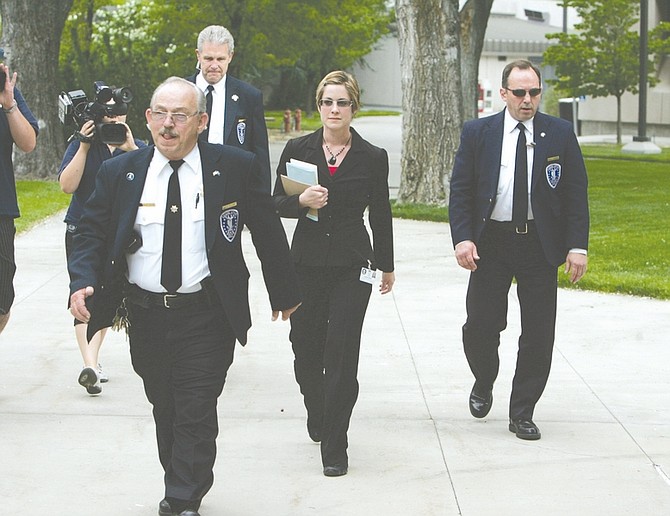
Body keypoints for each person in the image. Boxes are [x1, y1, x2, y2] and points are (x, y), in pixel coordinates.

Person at [68, 76, 301, 516]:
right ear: (148, 119)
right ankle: (182, 478)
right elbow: (91, 232)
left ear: (201, 121)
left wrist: (284, 292)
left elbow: (266, 230)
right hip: (145, 312)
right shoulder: (121, 172)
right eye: (160, 114)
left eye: (180, 115)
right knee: (165, 403)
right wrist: (81, 279)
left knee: (196, 405)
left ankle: (182, 496)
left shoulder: (233, 165)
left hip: (208, 313)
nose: (168, 125)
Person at [449, 59, 589, 440]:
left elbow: (576, 194)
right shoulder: (479, 133)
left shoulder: (559, 133)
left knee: (539, 334)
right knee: (480, 324)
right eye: (520, 92)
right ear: (504, 94)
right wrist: (463, 237)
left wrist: (577, 246)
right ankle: (484, 377)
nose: (528, 100)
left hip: (539, 245)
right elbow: (460, 190)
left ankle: (522, 411)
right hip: (491, 242)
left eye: (534, 92)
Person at [273, 70, 395, 476]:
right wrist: (301, 201)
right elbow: (273, 204)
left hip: (352, 264)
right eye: (328, 102)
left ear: (353, 108)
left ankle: (336, 442)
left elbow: (380, 213)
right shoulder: (298, 148)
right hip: (305, 263)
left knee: (342, 352)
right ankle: (316, 406)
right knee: (305, 347)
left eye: (342, 102)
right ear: (319, 106)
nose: (334, 109)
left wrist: (386, 264)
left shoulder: (373, 156)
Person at [58, 101, 145, 395]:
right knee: (83, 294)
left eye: (119, 113)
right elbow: (67, 186)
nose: (114, 119)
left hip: (119, 234)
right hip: (82, 230)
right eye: (107, 115)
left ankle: (92, 362)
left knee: (105, 296)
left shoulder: (136, 147)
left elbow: (155, 177)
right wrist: (83, 146)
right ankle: (91, 365)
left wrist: (132, 147)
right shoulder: (83, 144)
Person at [186, 25, 271, 192]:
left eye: (220, 59)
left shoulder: (249, 97)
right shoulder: (178, 91)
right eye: (209, 58)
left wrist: (262, 203)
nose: (214, 65)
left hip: (232, 188)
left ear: (230, 57)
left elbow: (260, 155)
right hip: (186, 184)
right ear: (198, 55)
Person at [0, 56, 38, 335]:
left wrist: (9, 104)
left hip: (1, 208)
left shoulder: (8, 93)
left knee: (2, 300)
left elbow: (28, 143)